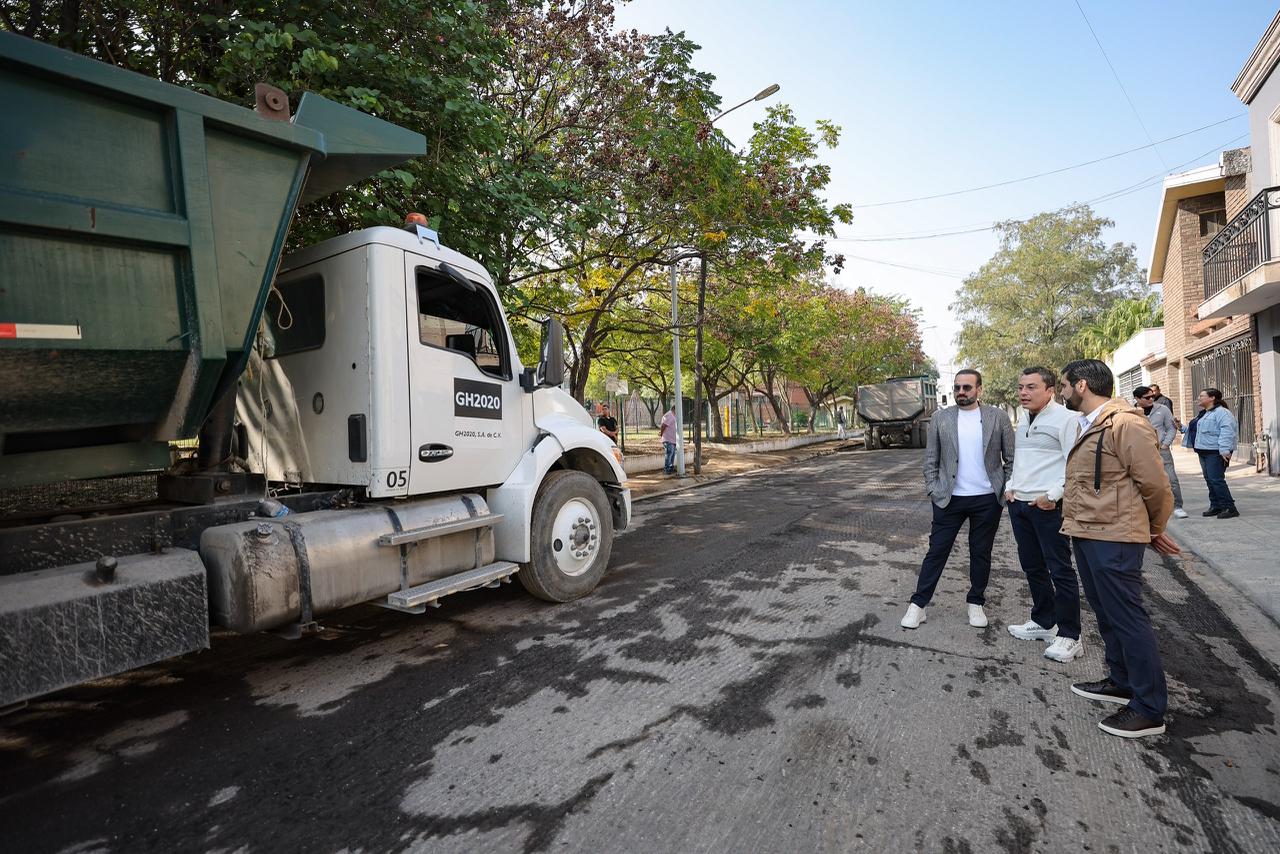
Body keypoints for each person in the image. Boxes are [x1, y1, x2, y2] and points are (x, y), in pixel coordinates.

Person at [1060, 359, 1180, 739]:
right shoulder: (1093, 423)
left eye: (1063, 385)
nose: (1061, 392)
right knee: (1106, 613)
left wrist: (1152, 529)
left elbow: (1157, 487)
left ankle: (1149, 709)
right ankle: (1122, 681)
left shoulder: (1126, 424)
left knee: (1128, 618)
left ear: (1081, 385)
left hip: (1115, 538)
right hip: (1089, 533)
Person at [901, 368, 1015, 631]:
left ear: (979, 390)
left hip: (987, 499)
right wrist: (933, 488)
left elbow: (1011, 458)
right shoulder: (941, 418)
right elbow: (931, 459)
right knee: (936, 551)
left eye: (966, 387)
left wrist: (1004, 489)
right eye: (957, 388)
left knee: (981, 552)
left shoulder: (997, 417)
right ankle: (918, 605)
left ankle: (976, 603)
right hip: (949, 498)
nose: (960, 392)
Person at [1003, 367, 1083, 663]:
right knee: (1032, 566)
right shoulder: (1024, 417)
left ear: (1050, 390)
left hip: (1047, 507)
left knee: (1060, 570)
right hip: (1019, 504)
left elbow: (1075, 465)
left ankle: (1070, 635)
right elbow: (1021, 460)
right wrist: (1011, 485)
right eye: (1021, 387)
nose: (1024, 392)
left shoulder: (1067, 419)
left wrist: (1053, 497)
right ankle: (1044, 621)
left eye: (1031, 387)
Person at [1134, 386, 1187, 519]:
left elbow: (1171, 428)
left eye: (1152, 396)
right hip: (1140, 452)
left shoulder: (1162, 409)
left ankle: (1178, 506)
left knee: (1171, 478)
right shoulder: (1131, 412)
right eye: (1147, 397)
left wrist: (1165, 444)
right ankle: (1147, 508)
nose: (1151, 399)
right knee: (1143, 480)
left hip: (1161, 450)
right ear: (1137, 399)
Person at [1185, 388, 1239, 519]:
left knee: (1216, 480)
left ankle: (1229, 507)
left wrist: (1225, 451)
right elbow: (1196, 430)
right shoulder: (1204, 413)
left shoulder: (1222, 413)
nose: (1199, 398)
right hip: (1203, 451)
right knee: (1210, 480)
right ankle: (1216, 506)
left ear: (1212, 398)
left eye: (1202, 396)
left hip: (1215, 452)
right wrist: (1180, 427)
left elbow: (1227, 431)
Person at [659, 404, 679, 476]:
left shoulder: (674, 415)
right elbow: (663, 425)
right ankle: (666, 469)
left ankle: (670, 467)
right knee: (669, 453)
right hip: (668, 438)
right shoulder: (669, 415)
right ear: (674, 409)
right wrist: (661, 434)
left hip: (673, 439)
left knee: (672, 454)